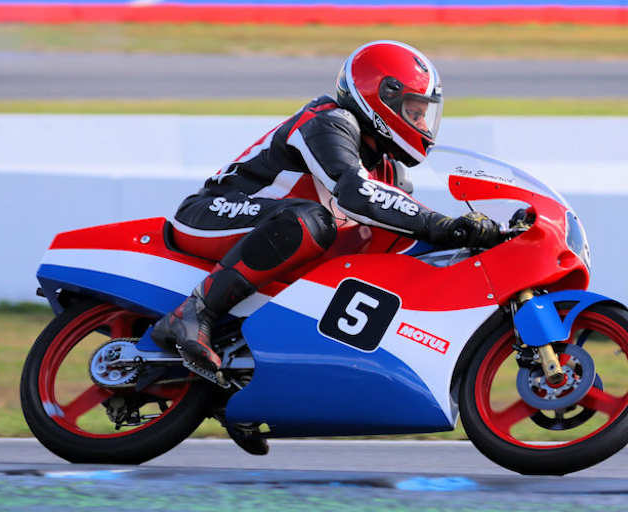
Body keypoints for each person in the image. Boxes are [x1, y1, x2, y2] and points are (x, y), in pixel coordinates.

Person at [151, 40, 504, 382]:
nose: (423, 125)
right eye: (413, 111)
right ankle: (194, 312)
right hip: (210, 214)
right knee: (310, 221)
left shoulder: (388, 168)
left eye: (424, 114)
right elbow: (355, 192)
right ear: (381, 99)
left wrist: (480, 235)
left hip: (268, 233)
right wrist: (440, 224)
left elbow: (403, 222)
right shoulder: (328, 122)